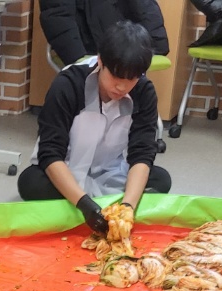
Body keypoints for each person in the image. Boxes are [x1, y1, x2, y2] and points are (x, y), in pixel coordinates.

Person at [18, 20, 171, 230]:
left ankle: (98, 207)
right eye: (115, 76)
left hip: (110, 171)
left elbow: (142, 153)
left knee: (160, 179)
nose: (121, 86)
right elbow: (50, 153)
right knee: (31, 183)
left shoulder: (143, 92)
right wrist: (86, 207)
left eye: (131, 79)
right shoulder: (68, 84)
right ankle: (83, 204)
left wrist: (127, 208)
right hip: (66, 169)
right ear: (100, 62)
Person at [40, 0, 170, 68]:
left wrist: (157, 45)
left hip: (123, 43)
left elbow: (144, 6)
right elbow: (57, 15)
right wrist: (77, 59)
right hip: (87, 47)